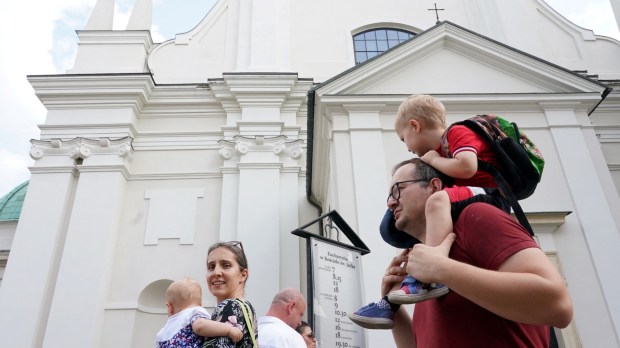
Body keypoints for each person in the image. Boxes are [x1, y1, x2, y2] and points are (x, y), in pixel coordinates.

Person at [349, 94, 511, 329]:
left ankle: (424, 279)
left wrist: (434, 160)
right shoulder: (443, 151)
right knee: (392, 228)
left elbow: (467, 167)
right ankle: (393, 301)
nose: (407, 148)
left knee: (436, 202)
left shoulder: (455, 134)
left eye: (405, 139)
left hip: (492, 194)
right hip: (468, 195)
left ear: (415, 125)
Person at [386, 158, 572, 346]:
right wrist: (393, 310)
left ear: (434, 186)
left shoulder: (476, 217)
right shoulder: (423, 277)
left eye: (397, 190)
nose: (390, 203)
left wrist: (442, 269)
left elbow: (557, 306)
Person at [156, 277, 244, 347]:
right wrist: (229, 330)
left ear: (169, 307)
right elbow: (200, 326)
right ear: (200, 303)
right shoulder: (194, 312)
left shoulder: (162, 333)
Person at [203, 241, 258, 348]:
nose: (216, 272)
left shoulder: (230, 306)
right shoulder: (247, 307)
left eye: (226, 265)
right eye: (211, 266)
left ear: (243, 274)